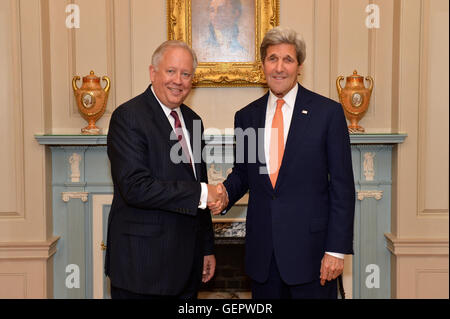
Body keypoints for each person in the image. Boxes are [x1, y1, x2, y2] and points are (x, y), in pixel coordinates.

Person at [210, 27, 355, 299]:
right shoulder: (247, 117)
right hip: (263, 258)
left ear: (299, 66)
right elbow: (244, 172)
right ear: (262, 65)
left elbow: (342, 187)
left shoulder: (328, 113)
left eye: (287, 59)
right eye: (272, 58)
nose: (279, 67)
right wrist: (224, 193)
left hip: (313, 257)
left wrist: (335, 250)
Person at [105, 40, 224, 299]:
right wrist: (203, 193)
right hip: (142, 268)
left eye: (186, 74)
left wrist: (206, 248)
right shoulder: (128, 117)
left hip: (187, 267)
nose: (178, 81)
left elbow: (197, 179)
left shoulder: (193, 121)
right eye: (171, 71)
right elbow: (135, 187)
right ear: (153, 72)